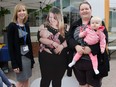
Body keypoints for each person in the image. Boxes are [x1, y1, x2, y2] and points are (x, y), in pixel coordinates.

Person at [66, 1, 110, 87]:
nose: (84, 11)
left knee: (94, 85)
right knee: (82, 85)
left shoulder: (98, 22)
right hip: (78, 63)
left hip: (95, 62)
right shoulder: (75, 24)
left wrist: (91, 48)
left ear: (91, 10)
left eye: (86, 8)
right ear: (79, 12)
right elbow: (69, 38)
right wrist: (76, 46)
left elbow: (104, 39)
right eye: (82, 9)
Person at [37, 6, 68, 87]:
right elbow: (40, 39)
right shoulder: (44, 27)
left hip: (61, 60)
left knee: (57, 81)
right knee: (45, 80)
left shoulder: (65, 28)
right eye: (50, 17)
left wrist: (61, 46)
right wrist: (53, 43)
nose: (51, 19)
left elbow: (70, 41)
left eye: (54, 17)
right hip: (46, 59)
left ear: (59, 17)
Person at [7, 3, 35, 87]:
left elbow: (29, 44)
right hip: (19, 59)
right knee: (20, 81)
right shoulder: (12, 26)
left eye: (23, 10)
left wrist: (32, 59)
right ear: (16, 13)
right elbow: (11, 47)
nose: (22, 12)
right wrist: (14, 64)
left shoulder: (26, 25)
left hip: (27, 58)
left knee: (27, 79)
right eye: (19, 11)